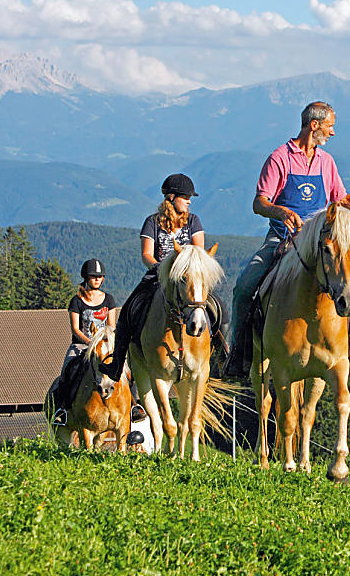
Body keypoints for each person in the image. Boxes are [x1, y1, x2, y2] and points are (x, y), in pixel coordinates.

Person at [225, 101, 350, 378]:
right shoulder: (280, 158)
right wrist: (281, 211)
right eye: (330, 126)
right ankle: (239, 353)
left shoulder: (326, 162)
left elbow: (343, 201)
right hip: (283, 237)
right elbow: (259, 203)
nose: (332, 133)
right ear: (315, 125)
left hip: (320, 241)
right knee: (244, 287)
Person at [100, 173, 229, 381]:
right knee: (128, 311)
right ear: (171, 197)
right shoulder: (152, 222)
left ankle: (223, 355)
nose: (189, 201)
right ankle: (117, 362)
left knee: (219, 308)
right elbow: (146, 255)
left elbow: (199, 252)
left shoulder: (194, 221)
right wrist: (161, 269)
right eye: (185, 196)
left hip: (188, 278)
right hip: (158, 276)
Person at [52, 259, 145, 426]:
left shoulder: (108, 299)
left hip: (106, 346)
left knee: (126, 371)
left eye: (100, 277)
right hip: (82, 345)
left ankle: (134, 406)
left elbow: (111, 326)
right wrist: (91, 343)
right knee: (68, 371)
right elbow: (76, 329)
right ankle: (63, 409)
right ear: (86, 278)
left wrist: (105, 344)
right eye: (93, 276)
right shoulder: (77, 301)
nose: (97, 279)